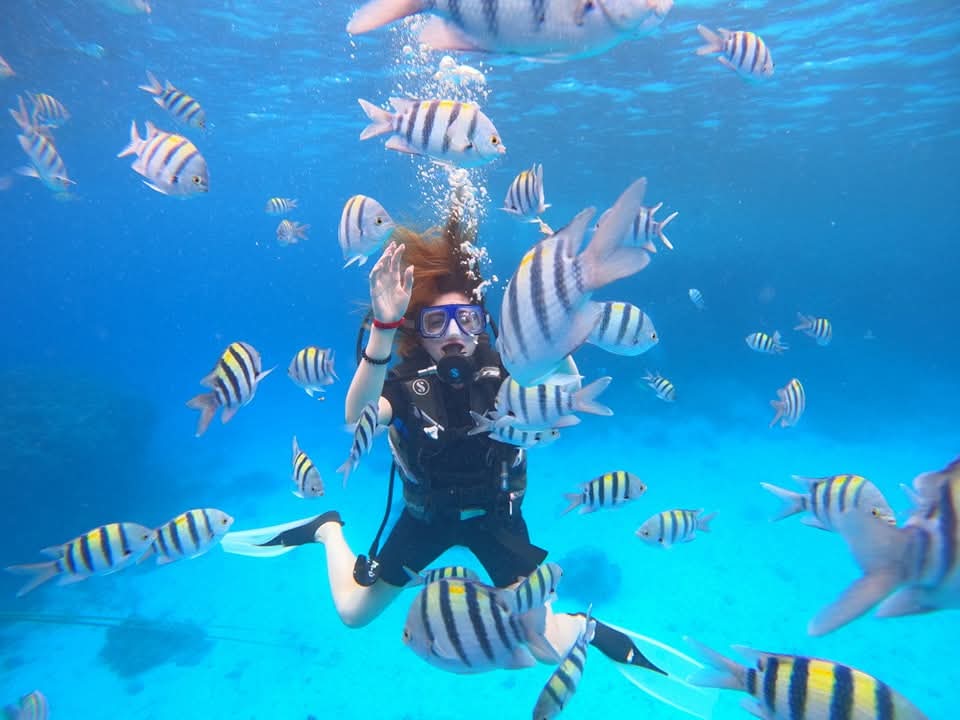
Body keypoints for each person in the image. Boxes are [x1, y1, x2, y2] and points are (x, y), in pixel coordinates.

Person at [222, 210, 661, 671]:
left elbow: (566, 394)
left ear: (482, 323)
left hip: (497, 518)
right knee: (353, 614)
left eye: (466, 319)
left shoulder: (506, 366)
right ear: (420, 331)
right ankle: (327, 528)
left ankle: (582, 626)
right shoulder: (406, 381)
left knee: (538, 645)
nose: (453, 334)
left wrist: (558, 329)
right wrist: (384, 328)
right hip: (426, 518)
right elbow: (358, 419)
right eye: (436, 323)